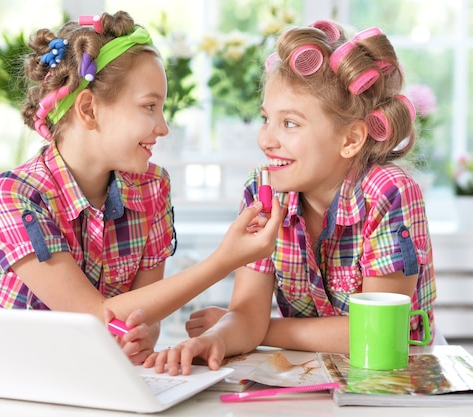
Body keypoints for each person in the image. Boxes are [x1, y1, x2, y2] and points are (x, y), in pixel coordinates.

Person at [0, 10, 283, 365]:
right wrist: (225, 259)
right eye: (149, 106)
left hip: (98, 380)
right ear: (89, 109)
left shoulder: (152, 188)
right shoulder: (14, 196)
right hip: (12, 381)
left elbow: (144, 321)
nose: (163, 127)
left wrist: (136, 340)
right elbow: (93, 315)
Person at [144, 19, 437, 376]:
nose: (266, 139)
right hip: (307, 371)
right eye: (266, 118)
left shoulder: (388, 193)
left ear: (351, 140)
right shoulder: (262, 190)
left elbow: (373, 332)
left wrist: (256, 330)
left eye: (290, 124)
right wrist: (218, 338)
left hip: (392, 377)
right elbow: (246, 314)